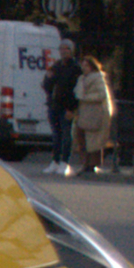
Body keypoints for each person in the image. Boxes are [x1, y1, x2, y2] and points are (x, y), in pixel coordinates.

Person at [73, 52, 114, 177]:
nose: (84, 68)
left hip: (95, 113)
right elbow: (77, 93)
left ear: (92, 67)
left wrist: (85, 98)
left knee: (93, 140)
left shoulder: (98, 78)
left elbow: (102, 95)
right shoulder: (81, 79)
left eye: (86, 66)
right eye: (83, 65)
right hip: (84, 113)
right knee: (81, 138)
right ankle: (85, 164)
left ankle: (92, 165)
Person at [42, 38, 79, 173]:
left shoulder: (76, 68)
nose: (63, 51)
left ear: (72, 51)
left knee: (66, 135)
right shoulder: (56, 66)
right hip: (54, 106)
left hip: (67, 107)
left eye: (66, 49)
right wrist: (49, 78)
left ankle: (65, 162)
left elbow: (76, 90)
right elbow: (47, 86)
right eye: (61, 49)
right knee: (56, 135)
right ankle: (55, 161)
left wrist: (72, 108)